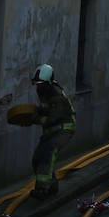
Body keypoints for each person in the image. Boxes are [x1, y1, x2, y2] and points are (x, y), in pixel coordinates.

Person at [26, 64, 76, 199]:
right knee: (37, 158)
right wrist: (32, 114)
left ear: (48, 82)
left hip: (64, 128)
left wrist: (35, 119)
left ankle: (43, 189)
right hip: (51, 130)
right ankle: (52, 186)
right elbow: (45, 110)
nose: (38, 86)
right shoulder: (44, 91)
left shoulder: (56, 94)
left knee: (47, 153)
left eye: (41, 84)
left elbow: (53, 118)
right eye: (37, 83)